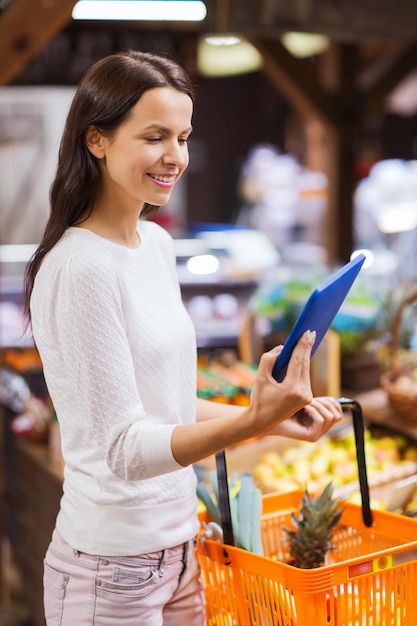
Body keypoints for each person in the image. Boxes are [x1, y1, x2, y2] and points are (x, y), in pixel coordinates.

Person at [24, 50, 343, 626]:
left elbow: (165, 408)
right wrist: (249, 423)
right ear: (96, 140)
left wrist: (268, 419)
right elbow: (125, 448)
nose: (175, 157)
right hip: (110, 570)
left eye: (183, 136)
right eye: (154, 137)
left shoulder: (157, 246)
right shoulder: (81, 267)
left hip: (181, 552)